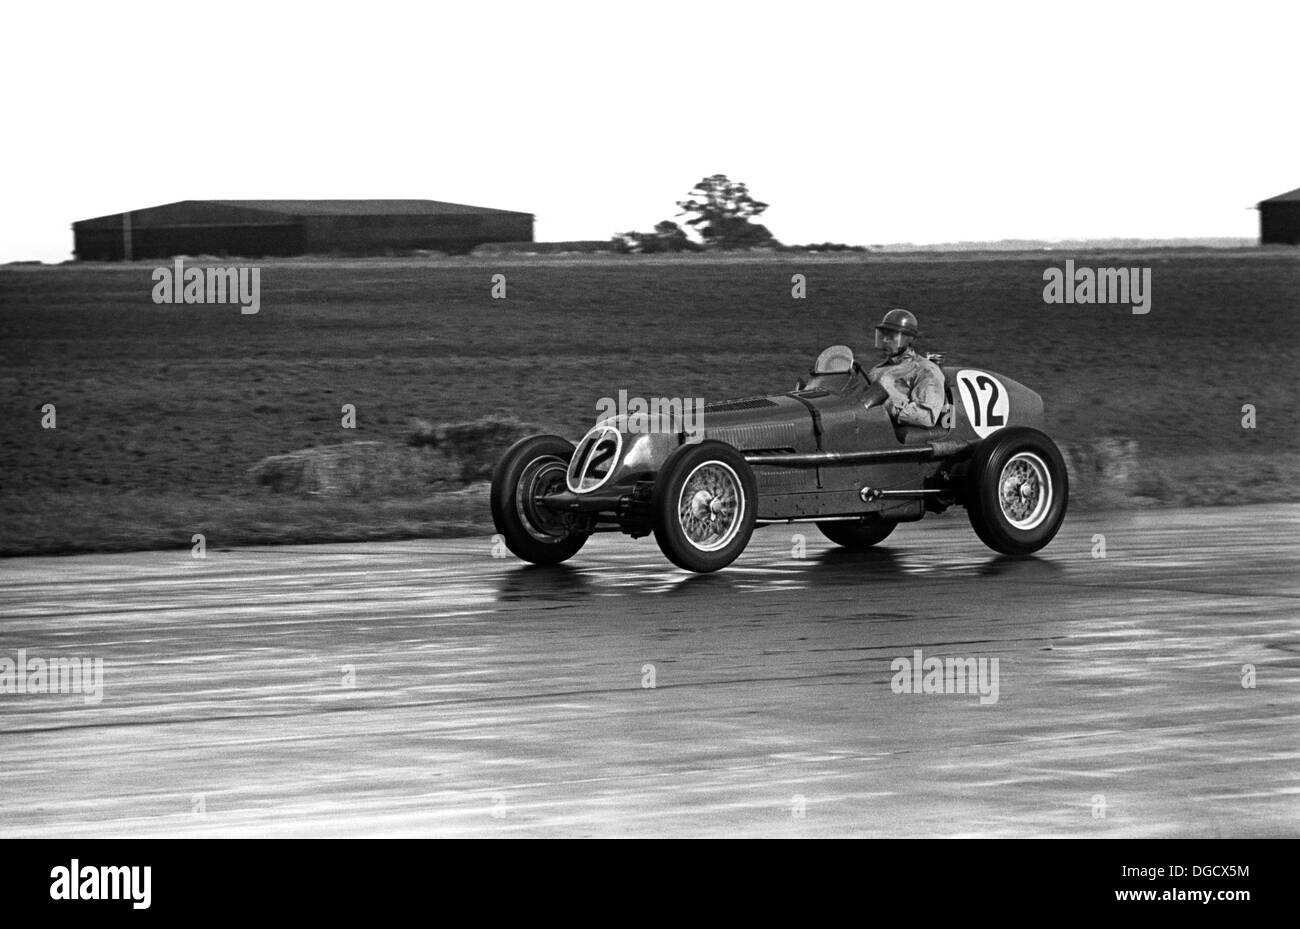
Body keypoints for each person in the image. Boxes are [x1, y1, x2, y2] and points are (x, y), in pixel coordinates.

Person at [867, 308, 946, 428]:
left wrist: (888, 406)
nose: (885, 340)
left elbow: (927, 416)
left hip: (890, 434)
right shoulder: (877, 369)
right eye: (883, 336)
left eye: (891, 337)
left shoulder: (926, 370)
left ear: (908, 340)